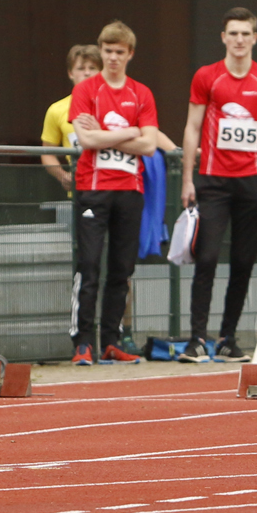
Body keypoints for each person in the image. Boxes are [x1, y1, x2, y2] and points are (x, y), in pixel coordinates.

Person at [178, 7, 257, 364]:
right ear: (223, 37)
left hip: (251, 182)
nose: (239, 40)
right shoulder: (207, 77)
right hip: (212, 180)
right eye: (233, 33)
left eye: (245, 34)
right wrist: (189, 178)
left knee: (243, 261)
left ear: (255, 38)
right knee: (206, 257)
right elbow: (192, 127)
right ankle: (196, 338)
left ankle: (228, 337)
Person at [69, 21, 161, 366]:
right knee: (89, 266)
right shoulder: (87, 90)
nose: (112, 58)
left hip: (130, 190)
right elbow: (87, 140)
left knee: (121, 270)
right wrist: (130, 131)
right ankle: (82, 343)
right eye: (107, 51)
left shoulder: (142, 93)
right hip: (93, 189)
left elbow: (150, 146)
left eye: (119, 52)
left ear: (130, 54)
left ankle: (111, 340)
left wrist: (111, 131)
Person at [40, 45, 101, 193]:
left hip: (116, 186)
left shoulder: (116, 104)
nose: (87, 73)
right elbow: (47, 153)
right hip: (81, 190)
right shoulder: (57, 110)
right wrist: (63, 176)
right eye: (81, 68)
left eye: (92, 68)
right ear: (70, 73)